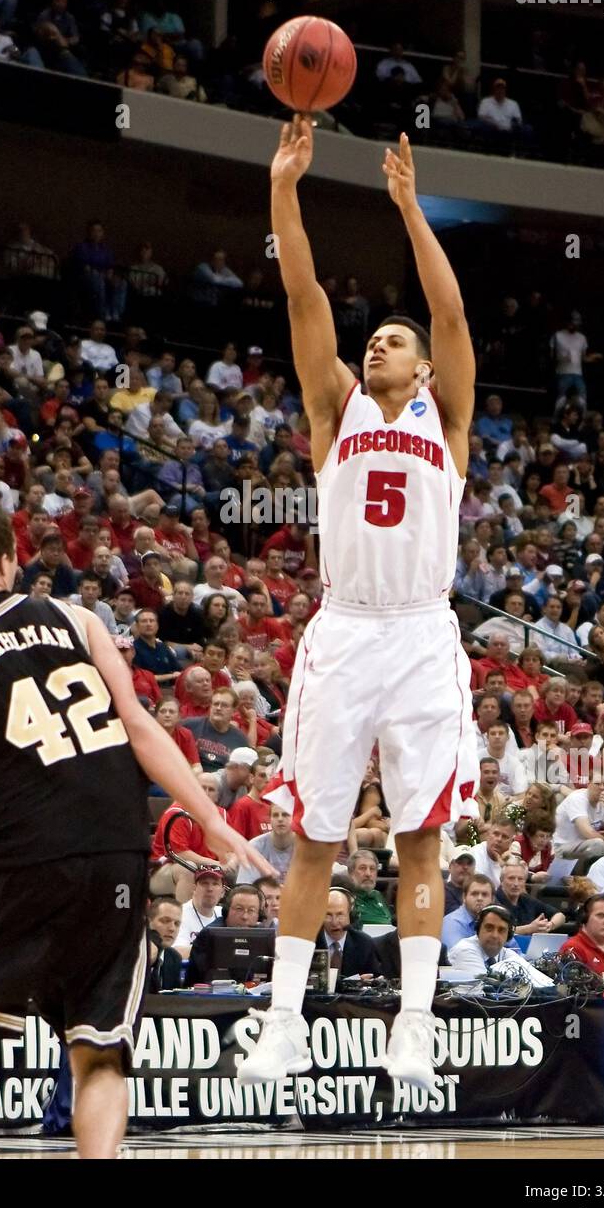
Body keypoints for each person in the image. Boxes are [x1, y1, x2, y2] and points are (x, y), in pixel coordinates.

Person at [0, 504, 271, 1160]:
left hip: (23, 855)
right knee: (97, 1048)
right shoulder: (77, 620)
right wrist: (208, 817)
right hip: (116, 850)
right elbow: (138, 724)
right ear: (11, 564)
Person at [240, 121, 478, 1089]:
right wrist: (283, 193)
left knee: (420, 836)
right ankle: (282, 1023)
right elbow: (300, 294)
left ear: (419, 371)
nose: (375, 343)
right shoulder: (332, 411)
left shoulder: (445, 417)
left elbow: (452, 319)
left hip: (422, 634)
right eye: (370, 338)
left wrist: (409, 209)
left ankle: (413, 1028)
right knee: (315, 837)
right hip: (343, 629)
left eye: (392, 341)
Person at [448, 905, 553, 984]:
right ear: (478, 929)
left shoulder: (507, 954)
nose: (495, 935)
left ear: (509, 935)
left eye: (501, 930)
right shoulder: (466, 949)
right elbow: (484, 988)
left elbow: (539, 982)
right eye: (489, 928)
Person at [316, 888, 384, 990]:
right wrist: (350, 983)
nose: (334, 922)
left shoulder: (364, 943)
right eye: (328, 915)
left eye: (340, 915)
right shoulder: (310, 942)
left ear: (350, 915)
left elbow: (377, 980)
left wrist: (371, 982)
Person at [552, 779, 604, 864]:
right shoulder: (577, 798)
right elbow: (587, 832)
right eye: (597, 784)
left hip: (586, 846)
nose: (602, 788)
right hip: (563, 848)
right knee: (598, 844)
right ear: (588, 784)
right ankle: (592, 875)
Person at [496, 859, 565, 935]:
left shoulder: (527, 900)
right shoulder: (493, 901)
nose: (516, 883)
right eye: (511, 878)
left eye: (520, 879)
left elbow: (560, 916)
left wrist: (549, 925)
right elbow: (499, 931)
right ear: (501, 881)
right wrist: (529, 928)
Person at [236, 803, 296, 884]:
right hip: (264, 895)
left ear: (295, 818)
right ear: (270, 820)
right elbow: (245, 885)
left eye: (285, 815)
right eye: (275, 815)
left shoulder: (305, 846)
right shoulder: (254, 846)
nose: (280, 819)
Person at [173, 864, 225, 957]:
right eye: (204, 883)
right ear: (194, 888)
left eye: (215, 884)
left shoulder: (225, 914)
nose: (210, 889)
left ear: (222, 892)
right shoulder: (180, 914)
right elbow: (176, 952)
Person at [441, 873, 494, 950]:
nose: (479, 898)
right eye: (474, 894)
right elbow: (460, 956)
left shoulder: (494, 919)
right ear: (464, 897)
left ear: (492, 899)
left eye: (484, 894)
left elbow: (514, 948)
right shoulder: (451, 923)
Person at [346, 849, 393, 925]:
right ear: (350, 873)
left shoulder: (378, 895)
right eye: (362, 868)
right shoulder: (345, 898)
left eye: (372, 869)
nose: (368, 874)